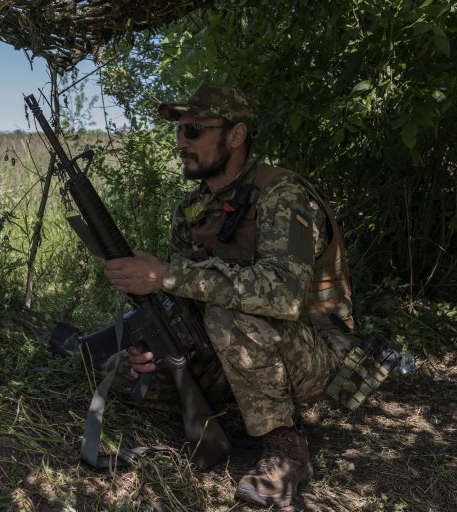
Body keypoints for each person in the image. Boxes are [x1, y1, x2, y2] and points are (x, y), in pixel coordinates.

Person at [103, 84, 357, 507]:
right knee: (123, 371)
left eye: (195, 130)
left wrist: (166, 274)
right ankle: (230, 407)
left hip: (320, 352)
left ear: (236, 136)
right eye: (180, 132)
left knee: (228, 315)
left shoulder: (281, 195)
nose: (182, 142)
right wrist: (155, 339)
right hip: (245, 345)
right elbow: (185, 298)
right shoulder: (195, 207)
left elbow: (283, 297)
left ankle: (287, 449)